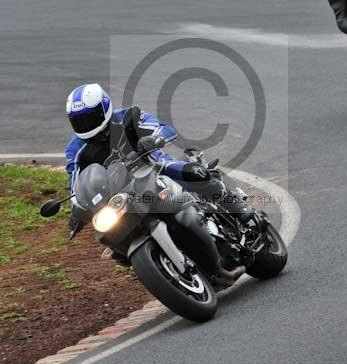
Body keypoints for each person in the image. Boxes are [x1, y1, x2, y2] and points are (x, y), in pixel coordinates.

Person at [65, 83, 247, 285]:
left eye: (90, 118)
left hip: (155, 166)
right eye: (79, 121)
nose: (86, 124)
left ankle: (240, 209)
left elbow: (164, 128)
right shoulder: (76, 149)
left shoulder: (127, 116)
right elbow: (75, 184)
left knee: (194, 174)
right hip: (122, 192)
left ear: (104, 109)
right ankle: (166, 267)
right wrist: (77, 210)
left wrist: (154, 139)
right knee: (114, 242)